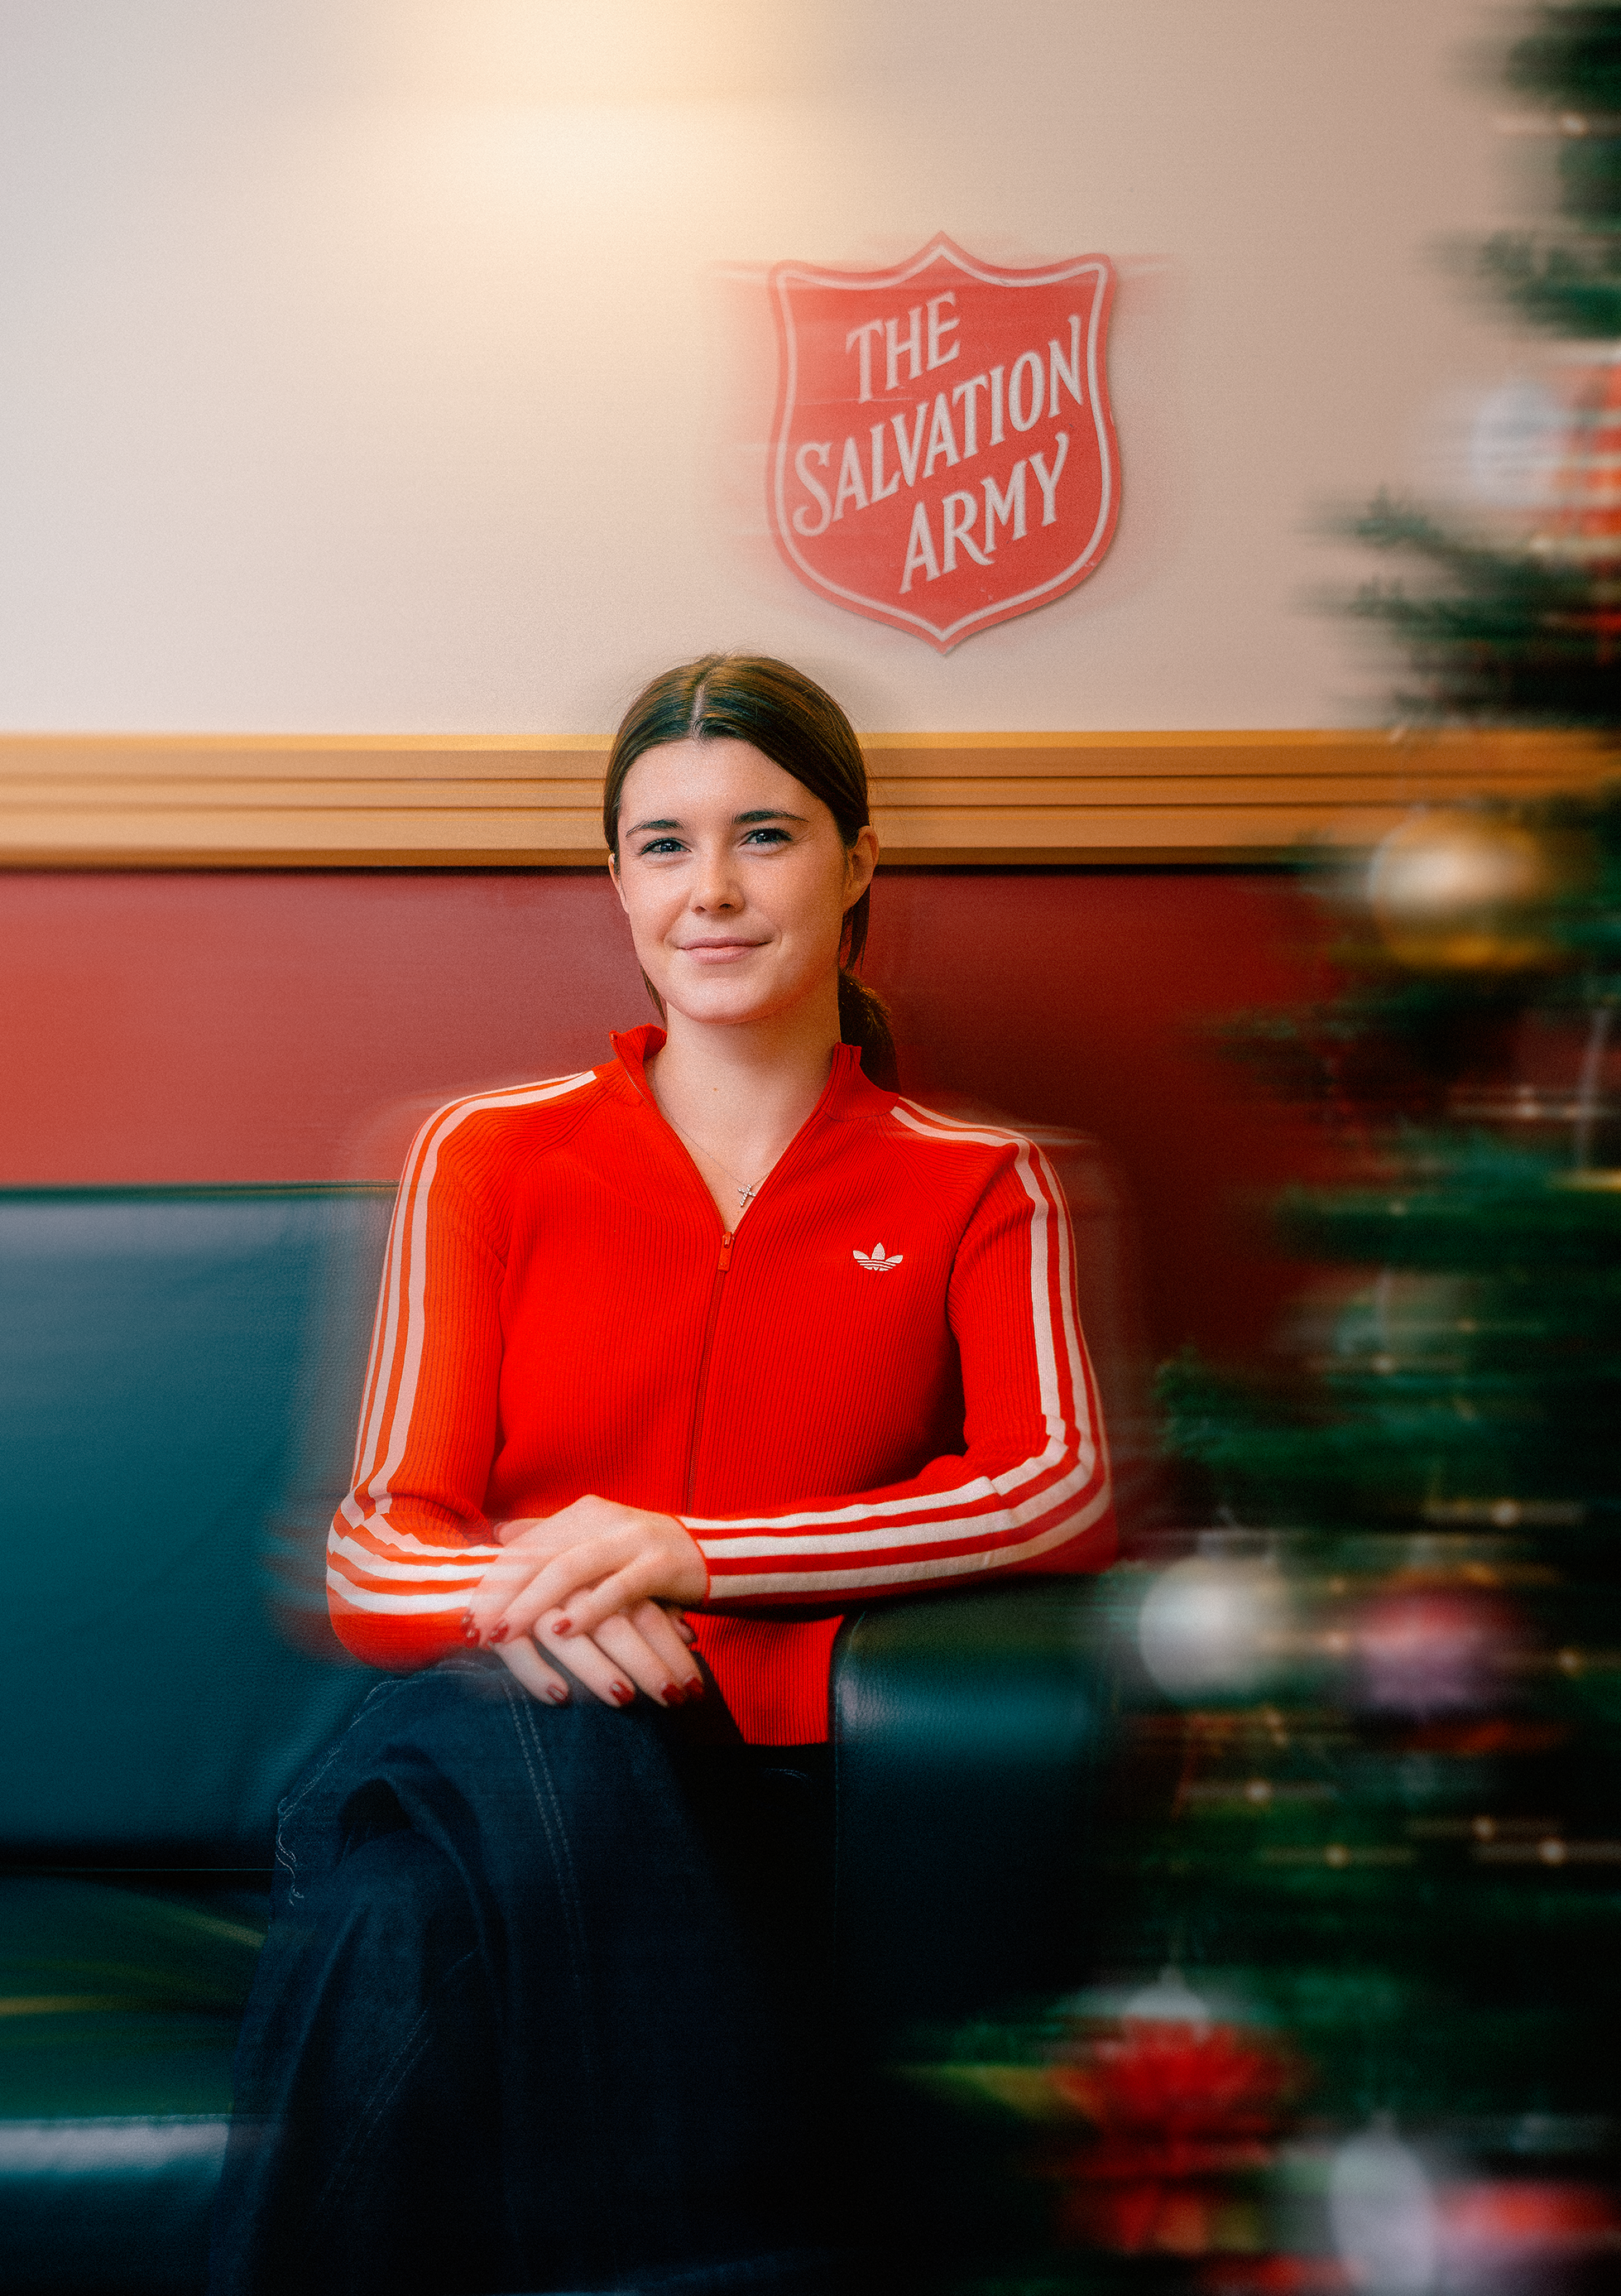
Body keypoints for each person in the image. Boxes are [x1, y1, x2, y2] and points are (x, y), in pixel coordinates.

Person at [209, 654, 1113, 2296]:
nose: (710, 889)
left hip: (751, 1799)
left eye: (761, 835)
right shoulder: (485, 1150)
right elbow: (371, 1551)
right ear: (615, 879)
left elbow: (1052, 1486)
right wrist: (551, 1594)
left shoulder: (984, 1183)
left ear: (856, 863)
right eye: (661, 844)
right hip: (472, 1740)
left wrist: (685, 1553)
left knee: (390, 1924)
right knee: (532, 1720)